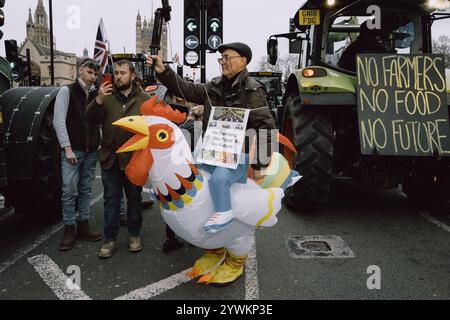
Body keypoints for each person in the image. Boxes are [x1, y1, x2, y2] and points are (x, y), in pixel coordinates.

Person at [146, 42, 276, 234]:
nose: (222, 62)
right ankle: (207, 238)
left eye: (227, 58)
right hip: (211, 153)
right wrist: (164, 71)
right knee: (201, 191)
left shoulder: (253, 91)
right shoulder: (212, 87)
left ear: (243, 61)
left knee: (226, 191)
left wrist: (260, 166)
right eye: (221, 58)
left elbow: (266, 127)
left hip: (238, 158)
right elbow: (185, 89)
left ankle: (231, 243)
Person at [86, 59, 149, 259]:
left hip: (133, 159)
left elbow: (153, 126)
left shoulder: (144, 99)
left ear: (132, 75)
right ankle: (110, 239)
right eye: (116, 73)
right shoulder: (107, 97)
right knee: (111, 200)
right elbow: (89, 118)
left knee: (134, 199)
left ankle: (134, 235)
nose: (118, 76)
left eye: (122, 73)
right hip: (110, 158)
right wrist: (98, 101)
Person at [53, 58, 103, 251]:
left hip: (91, 150)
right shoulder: (67, 91)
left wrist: (98, 141)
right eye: (90, 73)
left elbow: (98, 120)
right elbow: (59, 121)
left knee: (85, 190)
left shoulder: (95, 94)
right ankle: (68, 227)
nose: (92, 77)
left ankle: (83, 224)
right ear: (80, 71)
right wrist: (67, 147)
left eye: (95, 74)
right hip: (73, 149)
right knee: (68, 190)